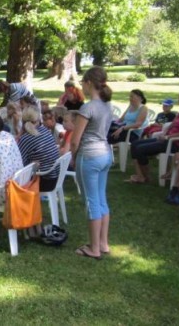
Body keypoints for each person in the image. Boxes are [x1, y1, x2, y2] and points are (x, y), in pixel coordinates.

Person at [70, 66, 113, 260]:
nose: (82, 87)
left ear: (89, 83)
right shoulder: (107, 105)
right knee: (101, 199)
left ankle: (94, 248)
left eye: (83, 83)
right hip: (105, 154)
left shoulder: (88, 107)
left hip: (89, 156)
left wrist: (72, 155)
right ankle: (103, 243)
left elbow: (75, 139)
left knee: (91, 201)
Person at [129, 90, 179, 183]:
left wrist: (168, 137)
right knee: (135, 144)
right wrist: (164, 133)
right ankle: (140, 175)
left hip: (176, 143)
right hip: (167, 139)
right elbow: (172, 125)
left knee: (140, 149)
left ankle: (145, 177)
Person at [18, 107, 61, 192]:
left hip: (44, 181)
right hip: (55, 177)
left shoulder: (26, 138)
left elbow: (20, 162)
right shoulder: (44, 130)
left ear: (22, 121)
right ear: (38, 119)